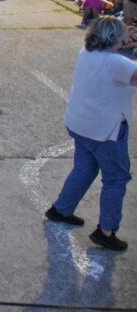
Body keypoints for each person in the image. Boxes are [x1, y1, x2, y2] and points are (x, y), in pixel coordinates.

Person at [45, 17, 137, 251]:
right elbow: (123, 69)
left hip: (81, 124)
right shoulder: (119, 64)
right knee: (116, 179)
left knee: (84, 168)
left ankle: (61, 209)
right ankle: (106, 231)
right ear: (113, 38)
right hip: (105, 130)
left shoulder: (85, 53)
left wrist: (125, 42)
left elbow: (112, 60)